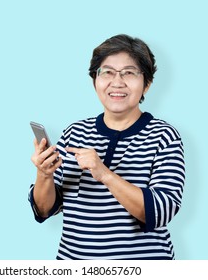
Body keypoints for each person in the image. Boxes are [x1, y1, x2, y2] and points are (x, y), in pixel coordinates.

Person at [29, 34, 185, 260]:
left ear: (147, 84)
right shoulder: (74, 133)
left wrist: (104, 174)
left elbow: (160, 212)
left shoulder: (164, 136)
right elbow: (44, 210)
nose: (117, 82)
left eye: (129, 73)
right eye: (107, 72)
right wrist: (44, 174)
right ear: (95, 81)